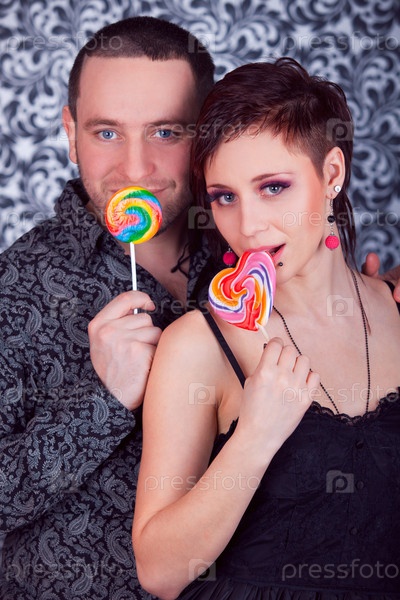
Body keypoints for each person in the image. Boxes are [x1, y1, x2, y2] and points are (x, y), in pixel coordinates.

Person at [132, 57, 400, 599]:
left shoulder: (393, 306)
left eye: (273, 187)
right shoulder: (198, 346)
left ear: (332, 174)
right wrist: (255, 436)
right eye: (225, 197)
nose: (249, 226)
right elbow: (159, 571)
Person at [0, 16, 215, 599]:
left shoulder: (251, 264)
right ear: (71, 133)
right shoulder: (14, 285)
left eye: (166, 132)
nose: (136, 168)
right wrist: (103, 402)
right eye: (106, 133)